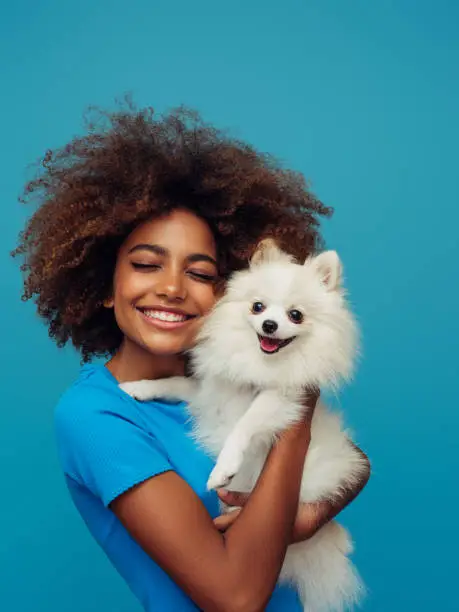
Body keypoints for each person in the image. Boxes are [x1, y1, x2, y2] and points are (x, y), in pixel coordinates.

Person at [13, 104, 370, 611]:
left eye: (201, 274)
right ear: (103, 286)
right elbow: (236, 598)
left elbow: (355, 461)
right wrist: (295, 407)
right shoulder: (97, 414)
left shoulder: (227, 374)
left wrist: (307, 518)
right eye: (145, 264)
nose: (173, 288)